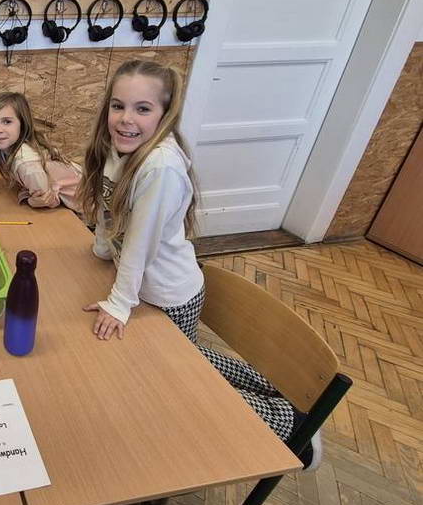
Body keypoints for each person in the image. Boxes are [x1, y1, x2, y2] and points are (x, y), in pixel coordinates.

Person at [76, 60, 318, 466]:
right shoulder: (117, 148)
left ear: (165, 113)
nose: (126, 119)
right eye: (118, 106)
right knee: (192, 358)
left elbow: (139, 244)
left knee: (181, 378)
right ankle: (278, 387)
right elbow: (108, 208)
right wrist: (102, 249)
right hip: (145, 290)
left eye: (142, 109)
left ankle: (289, 421)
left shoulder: (161, 167)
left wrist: (118, 303)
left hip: (169, 296)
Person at [0, 92, 82, 214]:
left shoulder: (27, 164)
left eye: (7, 122)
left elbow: (46, 200)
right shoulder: (6, 149)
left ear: (22, 124)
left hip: (88, 209)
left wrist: (29, 200)